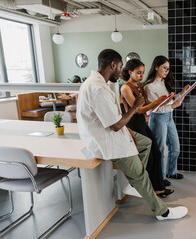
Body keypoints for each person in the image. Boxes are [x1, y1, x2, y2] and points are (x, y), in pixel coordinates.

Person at [76, 49, 187, 220]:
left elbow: (113, 118)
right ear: (113, 64)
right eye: (120, 67)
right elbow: (114, 125)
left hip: (113, 131)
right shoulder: (99, 89)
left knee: (147, 143)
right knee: (141, 175)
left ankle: (132, 184)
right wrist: (135, 107)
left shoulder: (94, 83)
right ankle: (162, 212)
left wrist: (127, 130)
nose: (121, 72)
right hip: (106, 141)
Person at [121, 59, 173, 197]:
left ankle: (158, 187)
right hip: (134, 125)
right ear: (130, 72)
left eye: (143, 73)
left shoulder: (138, 86)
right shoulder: (126, 88)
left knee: (156, 153)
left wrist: (163, 101)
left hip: (142, 123)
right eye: (138, 73)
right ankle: (153, 189)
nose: (141, 76)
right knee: (150, 157)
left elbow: (147, 105)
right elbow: (138, 110)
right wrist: (157, 102)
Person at [143, 56, 189, 180]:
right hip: (158, 119)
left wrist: (181, 93)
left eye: (168, 69)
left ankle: (171, 172)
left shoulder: (164, 83)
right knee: (161, 151)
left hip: (169, 117)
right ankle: (161, 178)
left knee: (175, 147)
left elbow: (169, 101)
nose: (166, 71)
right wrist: (173, 105)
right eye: (164, 68)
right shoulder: (149, 87)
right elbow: (155, 109)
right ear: (156, 67)